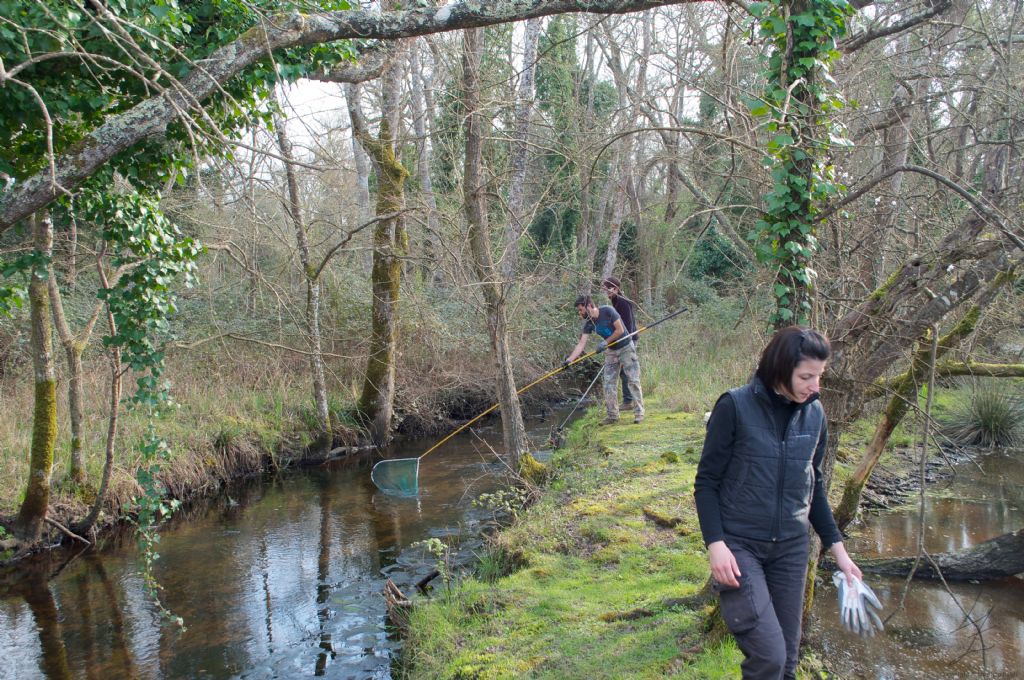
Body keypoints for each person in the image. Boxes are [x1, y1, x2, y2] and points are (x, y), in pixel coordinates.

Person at [693, 326, 861, 680]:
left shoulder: (815, 415)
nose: (816, 386)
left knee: (786, 662)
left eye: (820, 376)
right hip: (740, 548)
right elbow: (706, 482)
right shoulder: (734, 406)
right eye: (806, 376)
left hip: (791, 550)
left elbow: (813, 488)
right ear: (781, 368)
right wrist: (716, 545)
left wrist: (840, 553)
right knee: (768, 656)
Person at [563, 295, 645, 424]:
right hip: (611, 351)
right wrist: (570, 360)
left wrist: (605, 342)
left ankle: (639, 413)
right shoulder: (589, 324)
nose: (580, 313)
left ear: (589, 306)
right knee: (608, 383)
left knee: (633, 380)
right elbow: (581, 344)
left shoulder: (607, 311)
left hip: (626, 348)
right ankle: (613, 416)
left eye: (581, 310)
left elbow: (620, 330)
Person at [601, 276, 639, 411]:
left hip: (629, 339)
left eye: (609, 290)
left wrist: (624, 344)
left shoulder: (622, 302)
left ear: (616, 289)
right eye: (605, 290)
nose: (607, 293)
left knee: (627, 371)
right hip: (622, 340)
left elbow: (627, 324)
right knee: (624, 372)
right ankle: (628, 400)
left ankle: (629, 401)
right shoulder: (615, 301)